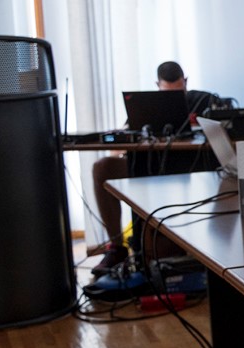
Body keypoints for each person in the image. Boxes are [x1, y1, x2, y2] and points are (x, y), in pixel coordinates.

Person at [90, 61, 221, 273]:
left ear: (186, 82)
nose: (173, 99)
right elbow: (117, 147)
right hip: (148, 167)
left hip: (190, 170)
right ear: (157, 85)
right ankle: (117, 247)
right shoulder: (145, 106)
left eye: (179, 92)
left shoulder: (204, 101)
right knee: (103, 167)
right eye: (167, 94)